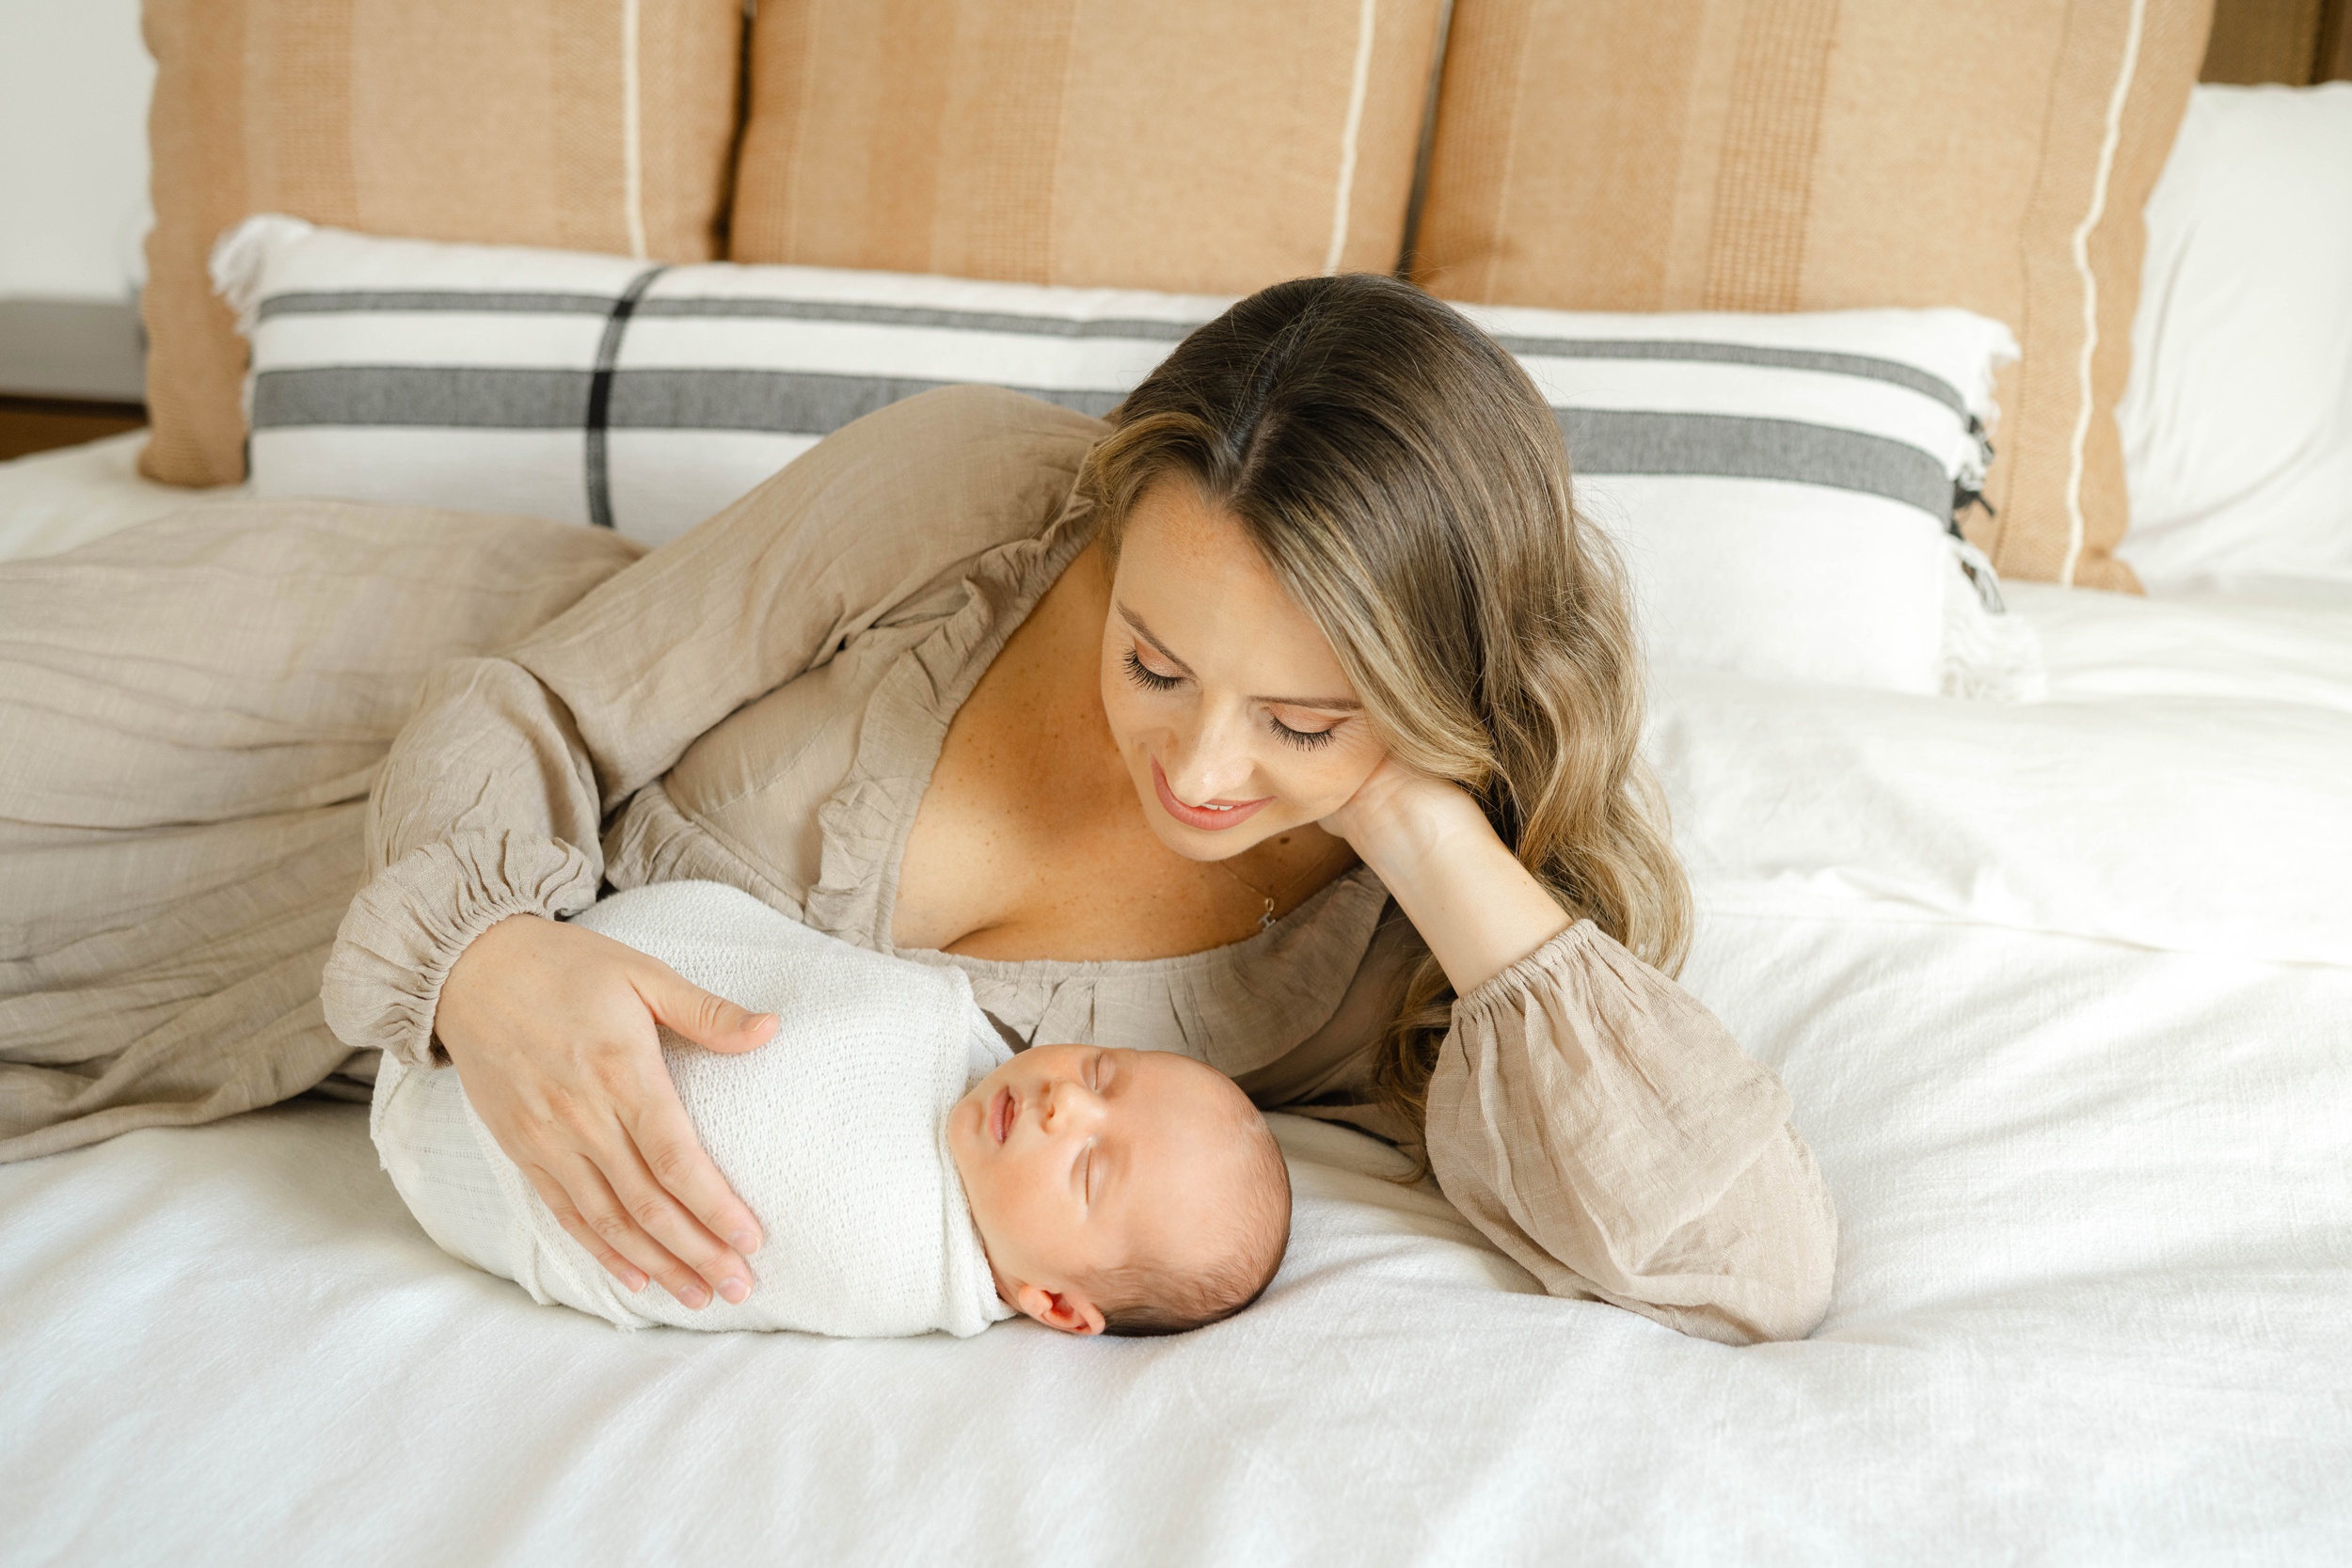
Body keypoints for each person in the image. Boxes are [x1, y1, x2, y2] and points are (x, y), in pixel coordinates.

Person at [374, 880, 1290, 1338]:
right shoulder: (942, 1024)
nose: (1063, 1106)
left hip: (472, 1150)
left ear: (1053, 1300)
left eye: (1090, 1167)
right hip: (516, 960)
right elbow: (796, 972)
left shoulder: (898, 1266)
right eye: (1102, 1070)